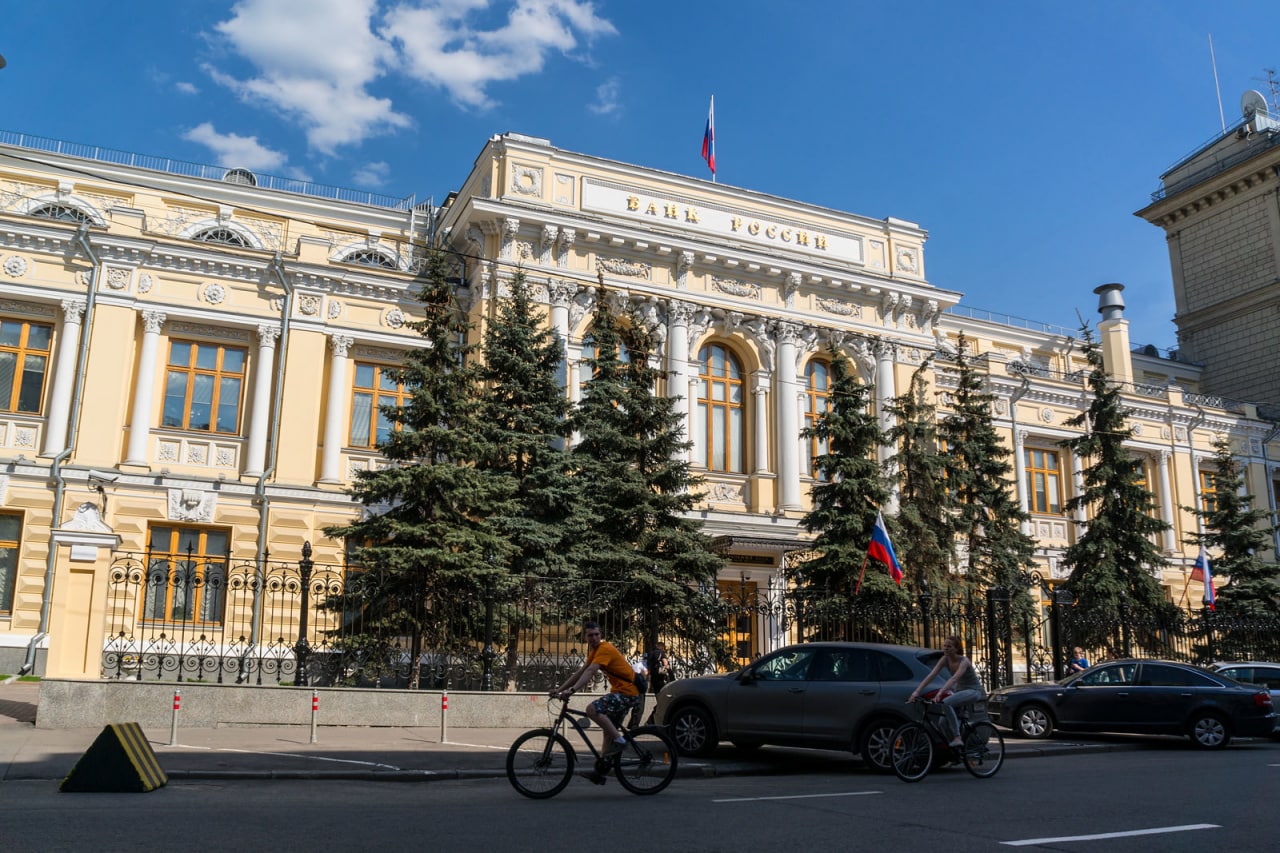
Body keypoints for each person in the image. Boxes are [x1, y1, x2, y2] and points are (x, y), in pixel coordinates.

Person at [552, 620, 642, 785]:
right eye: (590, 635)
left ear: (600, 635)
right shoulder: (594, 651)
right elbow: (581, 672)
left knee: (592, 709)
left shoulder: (605, 648)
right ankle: (601, 771)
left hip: (627, 693)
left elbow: (591, 671)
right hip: (622, 692)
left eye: (597, 634)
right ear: (585, 637)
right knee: (608, 732)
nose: (594, 638)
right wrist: (559, 690)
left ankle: (621, 742)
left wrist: (572, 691)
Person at [908, 636, 986, 749]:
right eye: (944, 646)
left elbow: (954, 679)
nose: (946, 648)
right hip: (960, 692)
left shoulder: (964, 661)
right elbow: (931, 675)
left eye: (949, 646)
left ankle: (957, 737)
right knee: (942, 723)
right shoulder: (945, 659)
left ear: (956, 648)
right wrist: (916, 692)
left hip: (973, 691)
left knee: (946, 702)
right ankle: (956, 750)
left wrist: (941, 692)